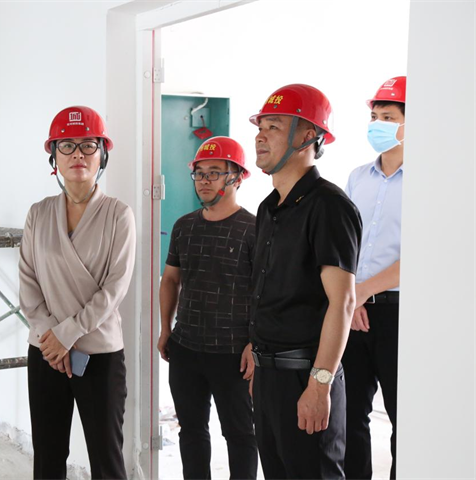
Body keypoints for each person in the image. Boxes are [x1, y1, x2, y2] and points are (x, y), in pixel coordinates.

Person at [248, 84, 363, 479]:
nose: (260, 136)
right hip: (268, 376)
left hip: (307, 376)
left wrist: (320, 385)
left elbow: (342, 303)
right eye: (260, 127)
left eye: (274, 127)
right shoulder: (267, 209)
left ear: (307, 136)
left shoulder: (329, 206)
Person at [19, 105, 136, 480]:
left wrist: (67, 333)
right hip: (46, 352)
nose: (77, 155)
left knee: (107, 461)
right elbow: (28, 283)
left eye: (88, 145)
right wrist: (51, 338)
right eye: (66, 146)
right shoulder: (38, 214)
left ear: (102, 154)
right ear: (53, 157)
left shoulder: (119, 215)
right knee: (48, 458)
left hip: (99, 353)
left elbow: (114, 288)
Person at [158, 136, 258, 479]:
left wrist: (255, 343)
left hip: (234, 353)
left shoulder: (255, 229)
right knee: (191, 431)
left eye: (214, 172)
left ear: (237, 177)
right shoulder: (184, 226)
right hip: (186, 348)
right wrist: (166, 328)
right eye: (199, 173)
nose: (204, 180)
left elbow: (264, 294)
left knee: (240, 434)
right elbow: (170, 280)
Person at [342, 76, 406, 480]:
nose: (376, 125)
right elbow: (344, 244)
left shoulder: (431, 181)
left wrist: (361, 292)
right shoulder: (357, 178)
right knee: (349, 416)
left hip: (400, 314)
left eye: (388, 117)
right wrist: (351, 298)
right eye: (374, 116)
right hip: (353, 312)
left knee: (406, 417)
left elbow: (424, 254)